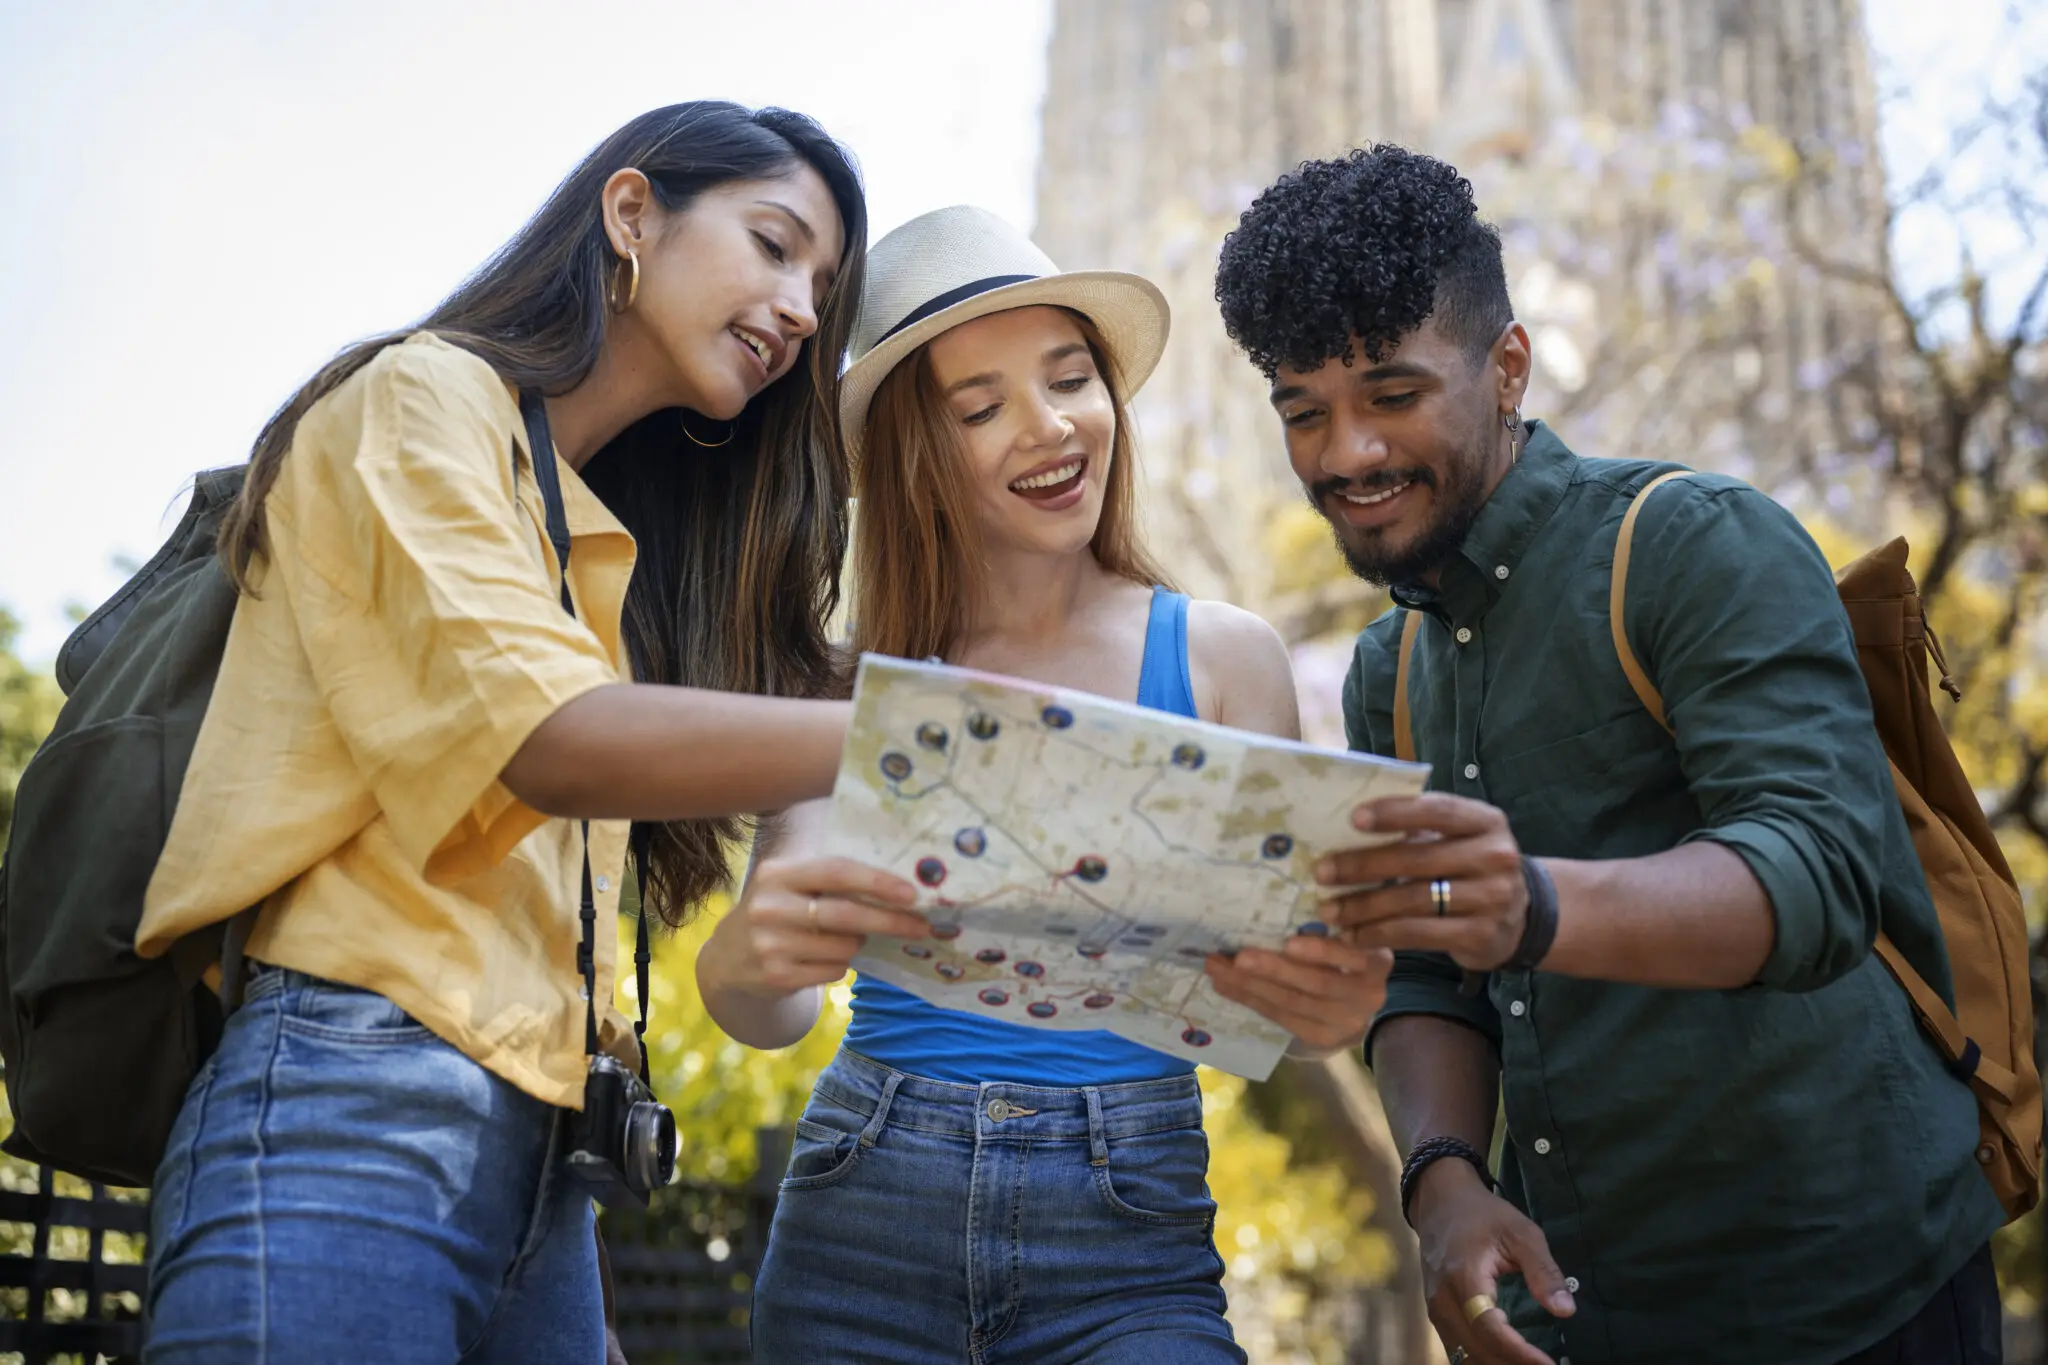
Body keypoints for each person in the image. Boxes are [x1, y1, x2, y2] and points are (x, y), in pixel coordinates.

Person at [1209, 144, 2009, 1365]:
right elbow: (1428, 976)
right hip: (1579, 1321)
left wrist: (1530, 905)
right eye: (1303, 413)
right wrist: (1441, 1184)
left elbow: (1816, 875)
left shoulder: (1695, 542)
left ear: (1507, 368)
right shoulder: (1387, 669)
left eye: (1390, 395)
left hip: (1848, 1300)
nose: (1346, 454)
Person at [137, 102, 870, 1363]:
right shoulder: (417, 396)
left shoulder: (597, 535)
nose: (802, 309)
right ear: (631, 214)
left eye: (823, 287)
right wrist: (924, 739)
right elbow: (550, 737)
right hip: (353, 1098)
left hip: (544, 1159)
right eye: (773, 245)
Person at [695, 205, 1394, 1363]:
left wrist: (1331, 1006)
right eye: (980, 409)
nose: (1049, 425)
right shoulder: (841, 687)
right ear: (912, 459)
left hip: (1129, 1228)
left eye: (1070, 380)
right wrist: (742, 960)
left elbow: (1287, 1009)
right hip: (865, 1205)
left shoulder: (1223, 660)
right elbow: (768, 1014)